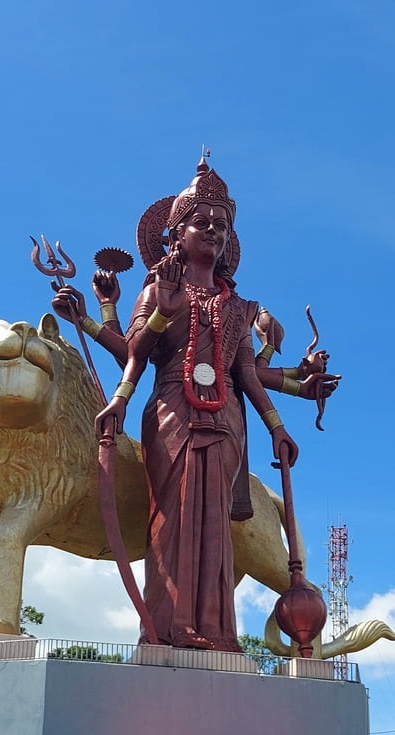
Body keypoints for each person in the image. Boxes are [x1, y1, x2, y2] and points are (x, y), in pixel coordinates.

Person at [94, 157, 305, 652]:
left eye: (221, 225)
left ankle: (216, 630)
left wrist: (276, 426)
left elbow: (246, 373)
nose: (212, 231)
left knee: (213, 526)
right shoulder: (157, 288)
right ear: (176, 233)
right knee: (173, 519)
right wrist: (124, 394)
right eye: (201, 222)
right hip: (172, 410)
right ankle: (165, 630)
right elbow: (136, 353)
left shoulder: (237, 306)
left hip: (226, 417)